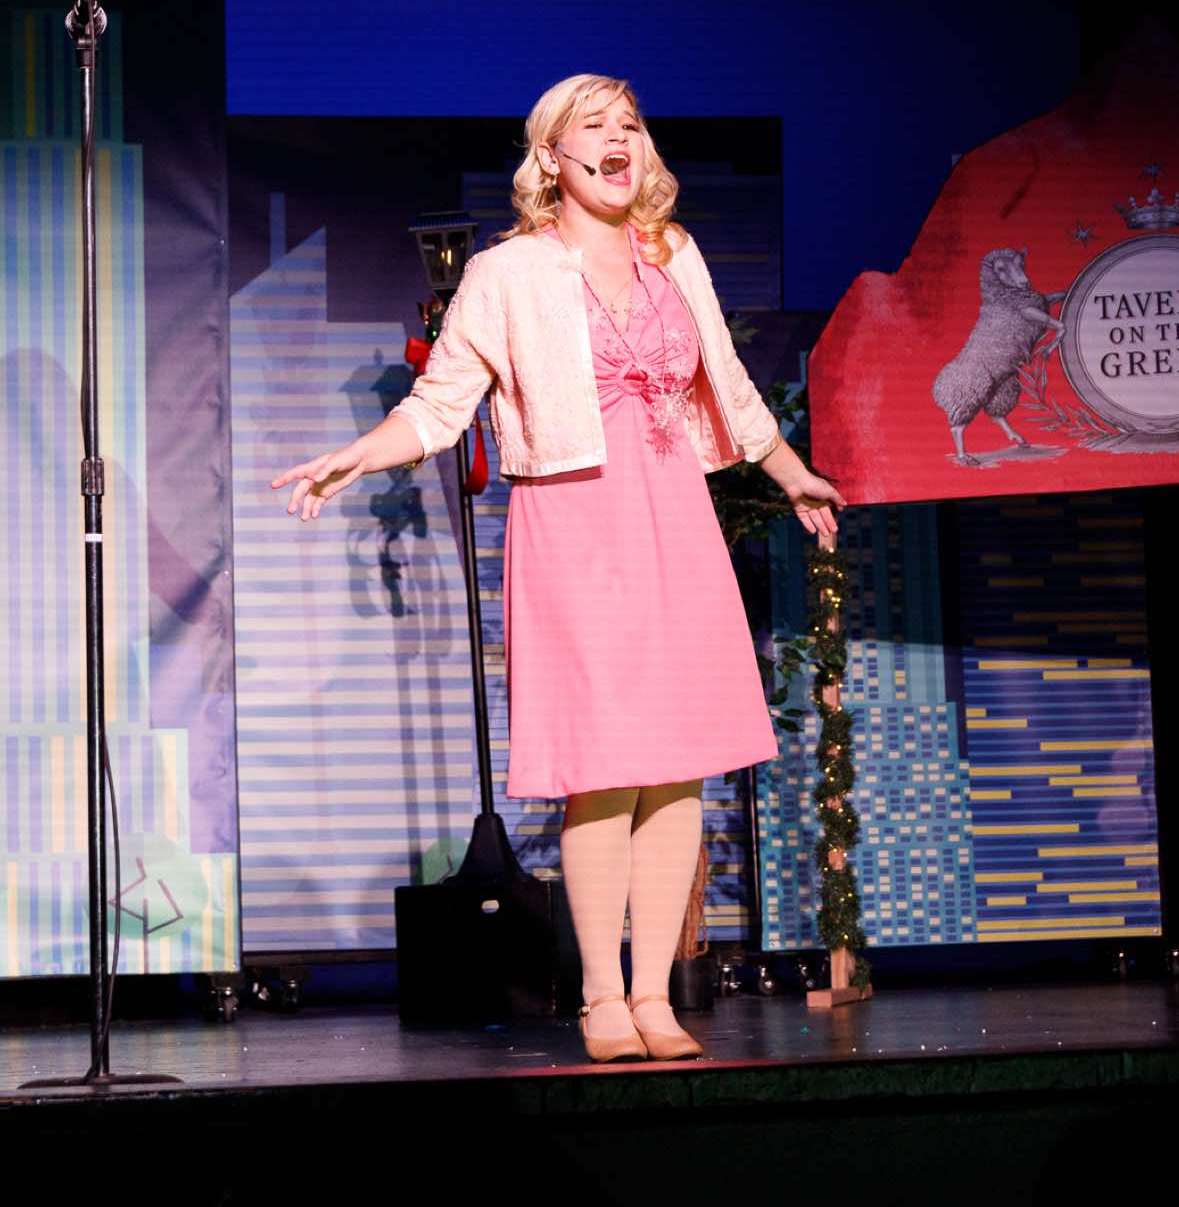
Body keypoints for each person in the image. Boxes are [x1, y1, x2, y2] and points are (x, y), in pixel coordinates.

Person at [272, 75, 846, 1061]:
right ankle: (600, 998)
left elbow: (729, 385)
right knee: (604, 770)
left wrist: (791, 473)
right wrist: (357, 455)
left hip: (675, 518)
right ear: (551, 157)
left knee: (677, 769)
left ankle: (654, 997)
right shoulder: (509, 273)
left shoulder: (673, 252)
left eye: (631, 124)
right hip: (577, 524)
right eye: (595, 125)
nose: (619, 138)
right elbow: (441, 401)